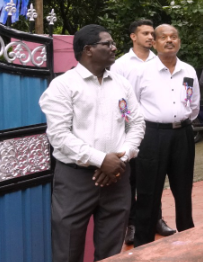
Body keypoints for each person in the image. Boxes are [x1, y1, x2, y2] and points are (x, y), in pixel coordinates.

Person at [40, 25, 145, 262]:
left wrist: (121, 158)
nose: (114, 48)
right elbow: (59, 135)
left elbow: (137, 123)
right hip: (75, 179)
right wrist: (101, 160)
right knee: (67, 249)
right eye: (107, 44)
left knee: (111, 251)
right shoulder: (63, 85)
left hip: (117, 176)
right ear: (88, 50)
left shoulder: (121, 84)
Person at [131, 25, 200, 247]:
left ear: (179, 41)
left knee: (184, 189)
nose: (169, 40)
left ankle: (187, 239)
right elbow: (131, 106)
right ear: (155, 42)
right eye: (164, 37)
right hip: (152, 136)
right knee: (148, 192)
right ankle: (143, 245)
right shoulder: (142, 71)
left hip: (183, 135)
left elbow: (194, 105)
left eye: (174, 36)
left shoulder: (188, 70)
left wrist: (180, 120)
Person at [110, 19, 175, 244]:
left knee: (154, 179)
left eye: (151, 34)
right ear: (133, 36)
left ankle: (156, 218)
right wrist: (130, 129)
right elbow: (118, 99)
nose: (150, 37)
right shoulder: (121, 65)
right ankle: (131, 223)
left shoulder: (160, 61)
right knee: (131, 179)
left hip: (154, 131)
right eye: (145, 33)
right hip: (129, 130)